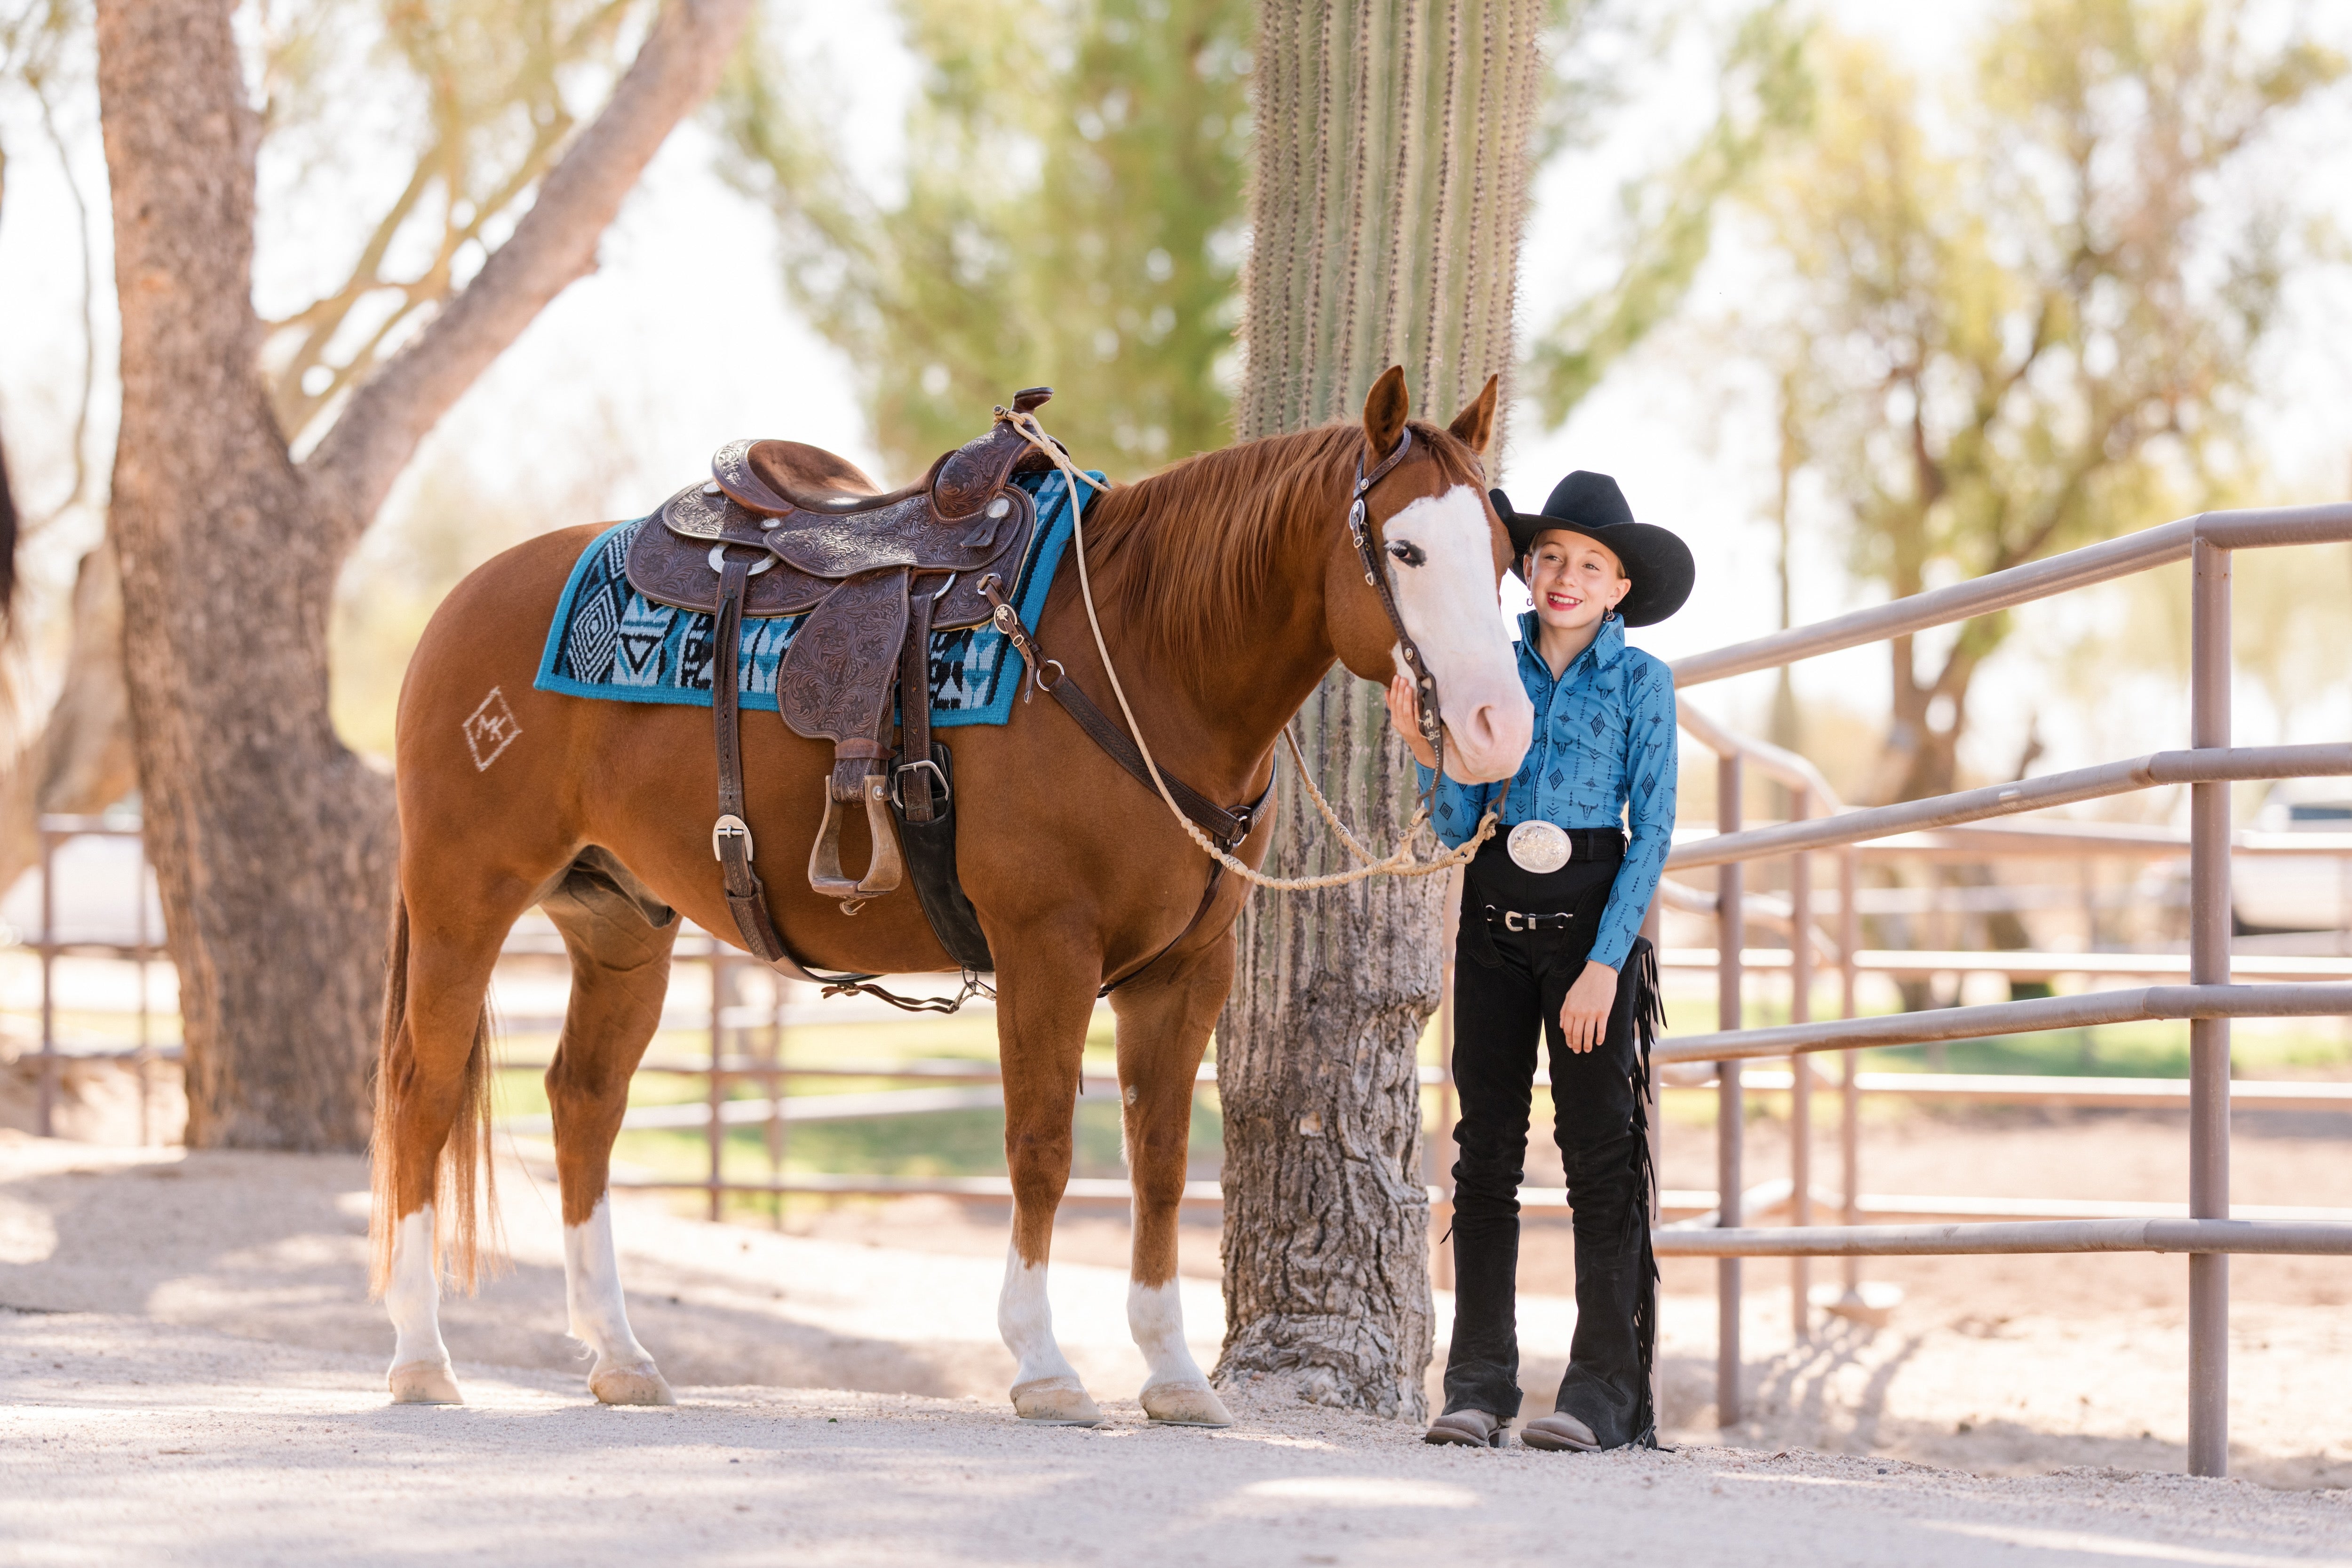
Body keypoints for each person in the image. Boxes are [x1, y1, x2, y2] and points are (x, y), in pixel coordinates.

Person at [1390, 470, 1692, 1452]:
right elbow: (1456, 826)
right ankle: (1477, 1381)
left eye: (1591, 564)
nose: (1566, 575)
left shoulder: (1640, 683)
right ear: (1525, 568)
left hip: (1592, 921)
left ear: (1618, 588)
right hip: (1492, 916)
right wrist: (1429, 750)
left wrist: (1608, 962)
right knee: (1485, 1153)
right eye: (1551, 555)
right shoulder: (1491, 667)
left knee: (1601, 1155)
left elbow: (1651, 831)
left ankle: (1602, 1390)